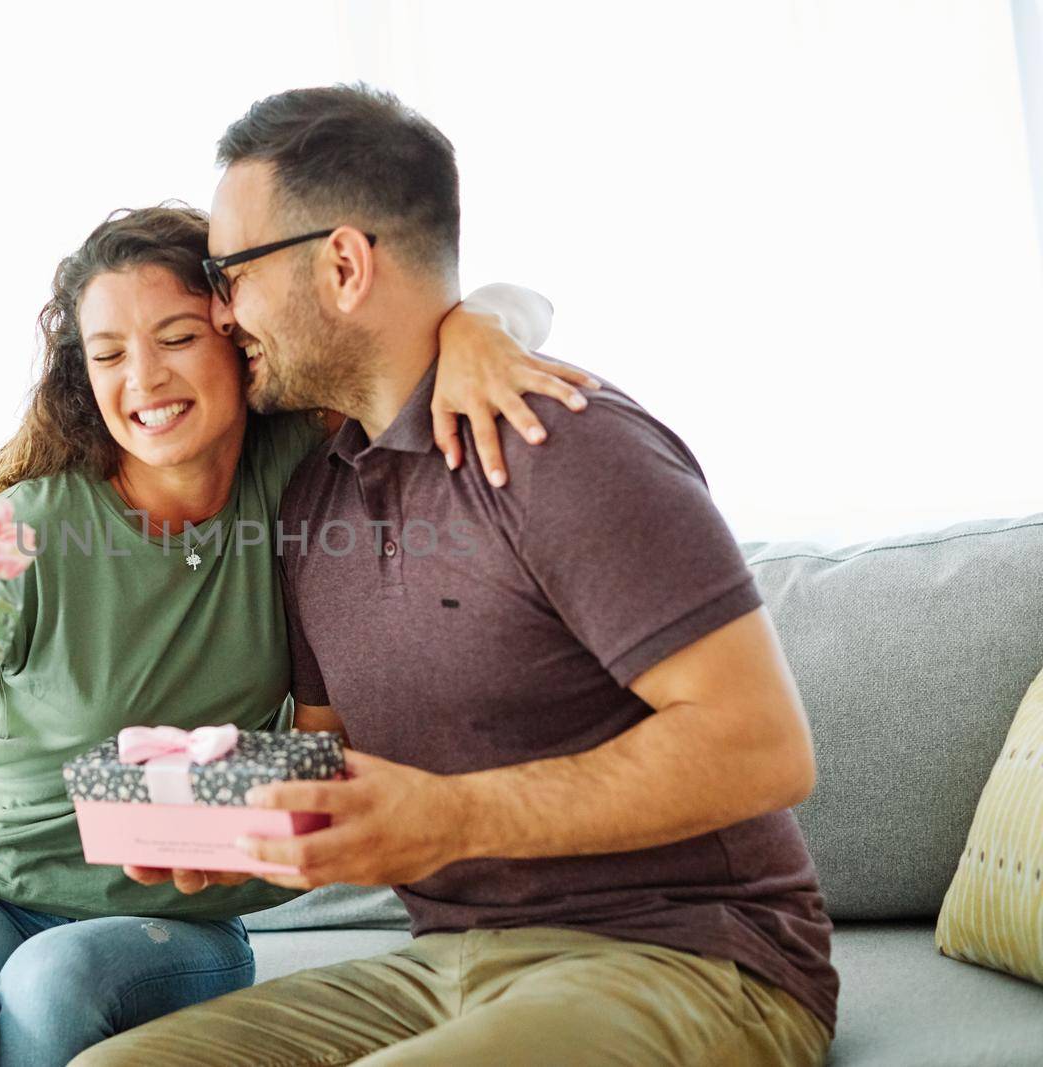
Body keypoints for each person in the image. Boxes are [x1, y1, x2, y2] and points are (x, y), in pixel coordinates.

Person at [75, 85, 838, 1067]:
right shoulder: (316, 496)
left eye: (229, 275)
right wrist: (212, 815)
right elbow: (328, 762)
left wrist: (456, 814)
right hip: (446, 960)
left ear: (343, 264)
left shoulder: (563, 445)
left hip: (689, 957)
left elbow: (763, 748)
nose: (218, 313)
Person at [0, 202, 602, 1066]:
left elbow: (505, 310)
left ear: (235, 337)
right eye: (107, 355)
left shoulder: (301, 471)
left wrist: (475, 327)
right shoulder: (27, 529)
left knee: (50, 988)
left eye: (175, 337)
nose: (142, 379)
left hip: (173, 917)